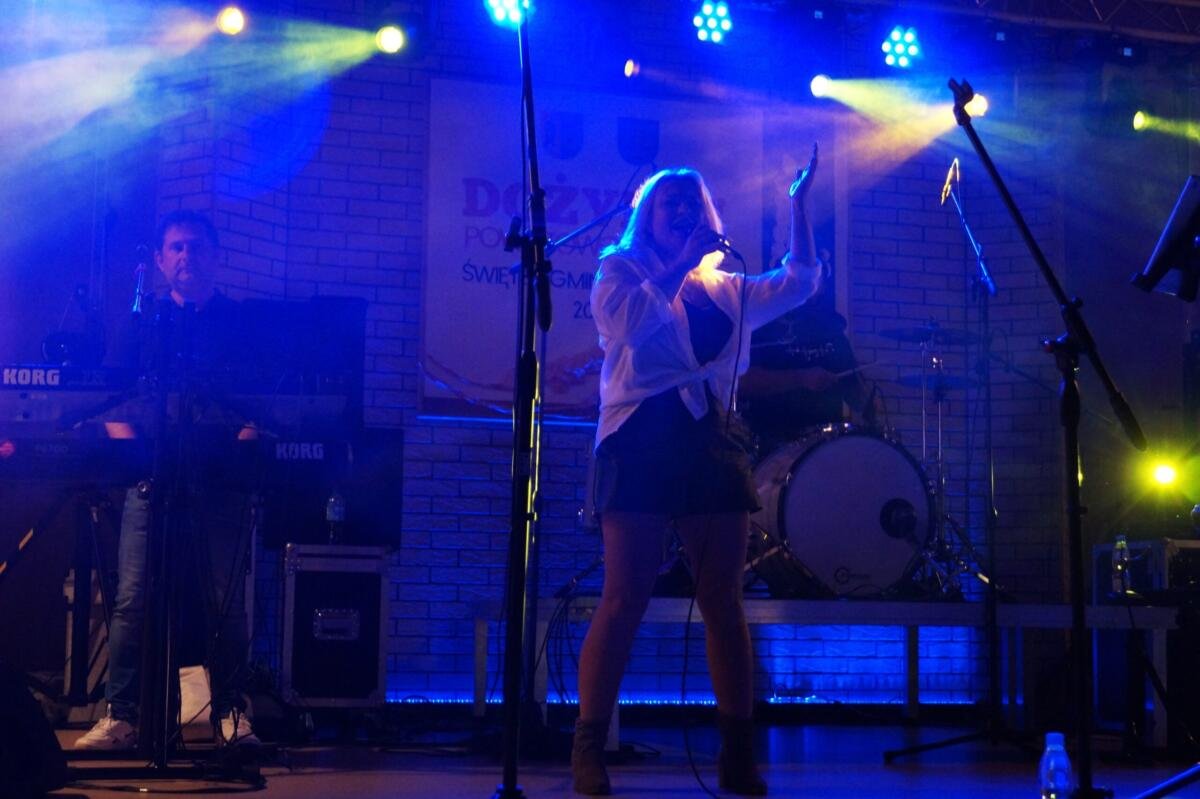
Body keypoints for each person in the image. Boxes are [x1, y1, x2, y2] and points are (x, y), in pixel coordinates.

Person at [576, 149, 822, 796]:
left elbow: (799, 282)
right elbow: (626, 323)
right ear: (648, 215)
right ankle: (588, 748)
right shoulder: (620, 269)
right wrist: (678, 263)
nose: (684, 209)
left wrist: (797, 207)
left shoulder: (726, 287)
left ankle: (737, 756)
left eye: (694, 202)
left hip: (711, 439)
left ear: (709, 215)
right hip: (640, 438)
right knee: (625, 596)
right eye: (671, 202)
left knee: (721, 598)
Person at [74, 210, 259, 751]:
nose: (186, 256)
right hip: (150, 478)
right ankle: (122, 715)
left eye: (196, 246)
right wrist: (135, 454)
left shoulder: (238, 324)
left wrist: (236, 449)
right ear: (159, 260)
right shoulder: (142, 324)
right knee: (132, 599)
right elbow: (111, 402)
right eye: (176, 247)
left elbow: (260, 405)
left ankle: (230, 710)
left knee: (225, 599)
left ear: (215, 256)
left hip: (218, 480)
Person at [739, 253, 881, 455]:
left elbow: (857, 395)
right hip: (772, 444)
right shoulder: (761, 325)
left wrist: (869, 401)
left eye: (816, 277)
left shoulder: (831, 330)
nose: (810, 284)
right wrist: (801, 378)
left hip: (825, 448)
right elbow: (744, 383)